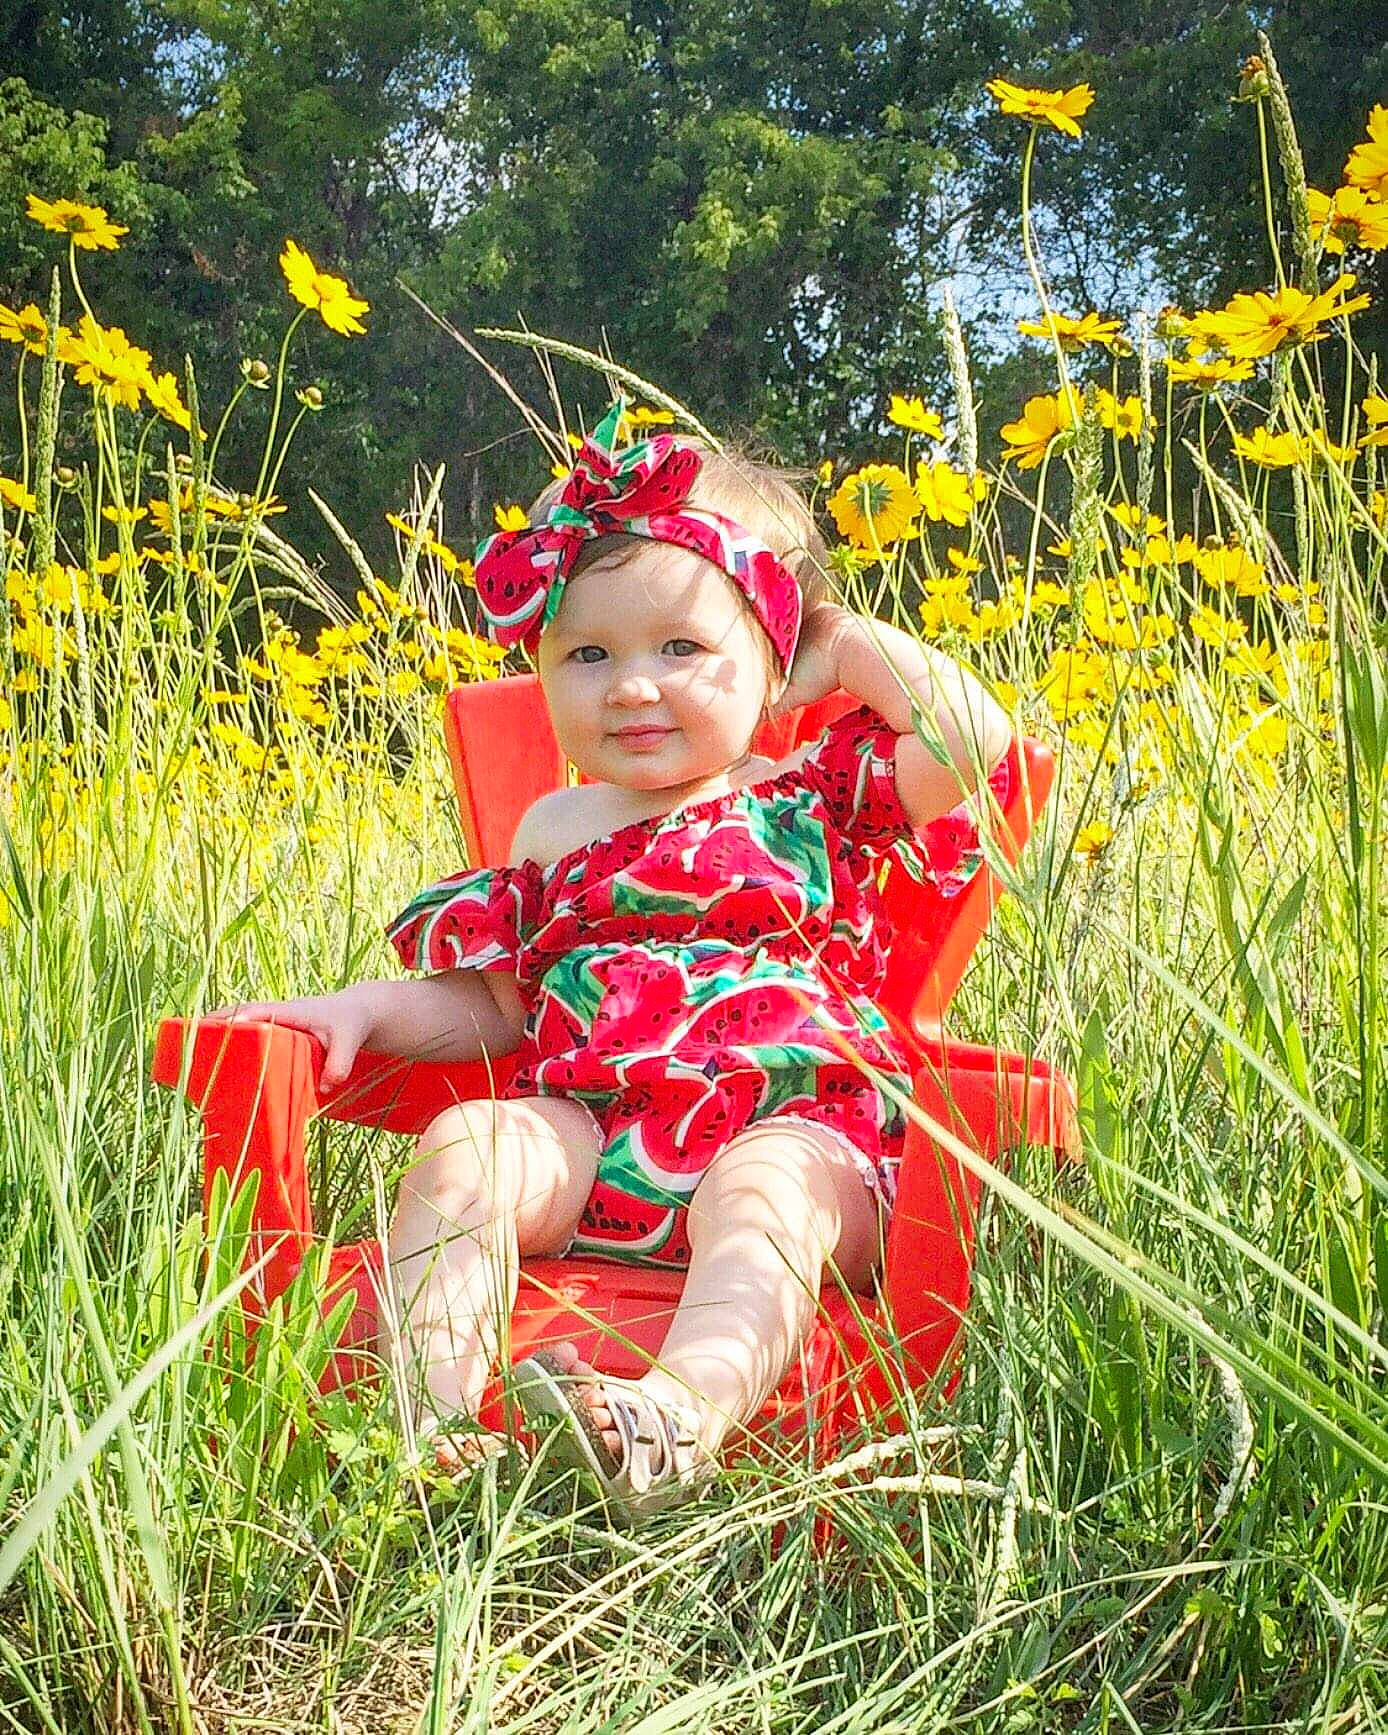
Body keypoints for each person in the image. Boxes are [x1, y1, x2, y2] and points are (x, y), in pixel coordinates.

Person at [218, 400, 1013, 1520]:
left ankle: (670, 1426)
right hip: (595, 1139)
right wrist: (360, 1009)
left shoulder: (814, 796)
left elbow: (973, 744)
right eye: (586, 651)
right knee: (467, 1144)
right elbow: (499, 1010)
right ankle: (433, 1438)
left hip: (801, 1133)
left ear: (769, 658)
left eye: (681, 647)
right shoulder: (551, 828)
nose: (631, 685)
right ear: (541, 662)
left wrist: (837, 646)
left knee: (762, 1193)